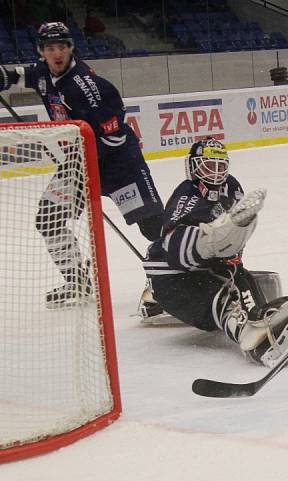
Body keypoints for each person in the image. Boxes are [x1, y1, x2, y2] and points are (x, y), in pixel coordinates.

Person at [0, 22, 164, 308]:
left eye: (62, 46)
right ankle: (77, 280)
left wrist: (81, 157)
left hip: (118, 164)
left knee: (153, 226)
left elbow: (113, 133)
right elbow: (17, 75)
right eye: (50, 48)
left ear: (71, 48)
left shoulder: (85, 86)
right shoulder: (42, 72)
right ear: (41, 51)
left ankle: (171, 280)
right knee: (48, 218)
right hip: (79, 162)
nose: (57, 53)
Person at [142, 138, 288, 366]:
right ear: (193, 167)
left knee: (246, 281)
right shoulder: (186, 198)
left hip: (206, 268)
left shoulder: (232, 187)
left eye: (220, 166)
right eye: (208, 166)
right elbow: (177, 254)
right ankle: (252, 338)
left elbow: (234, 235)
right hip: (173, 278)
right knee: (221, 302)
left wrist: (231, 251)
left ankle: (258, 316)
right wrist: (216, 239)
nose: (215, 173)